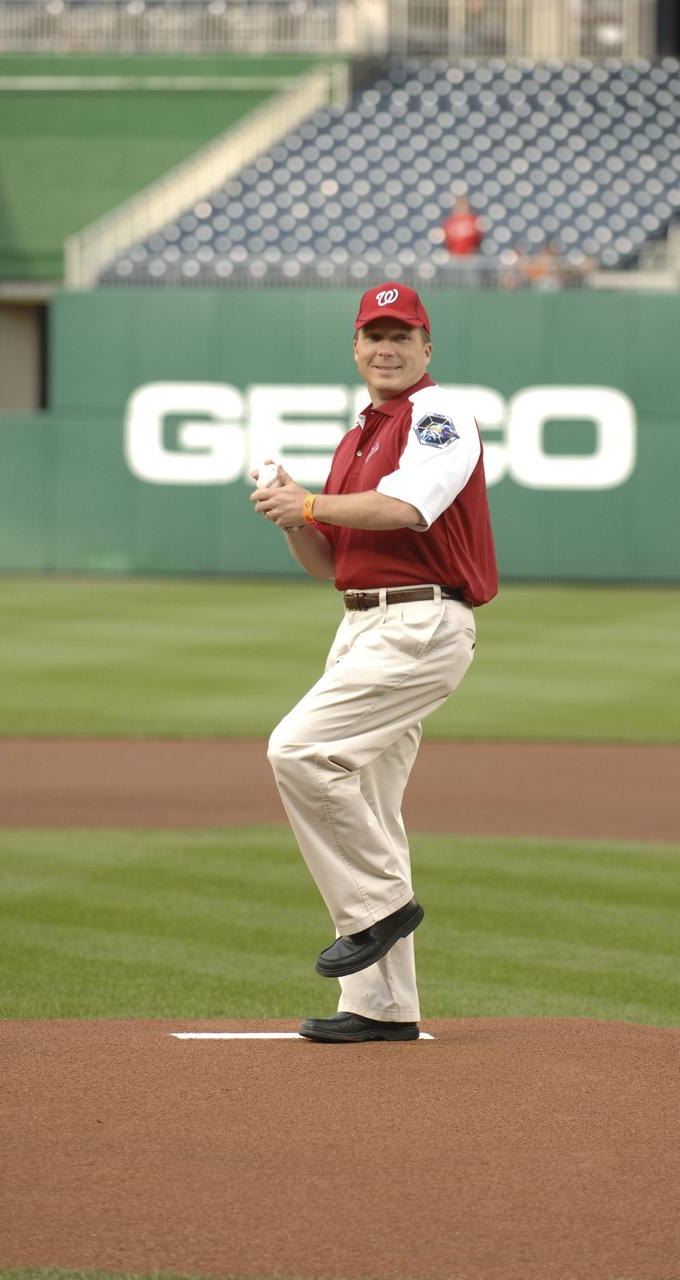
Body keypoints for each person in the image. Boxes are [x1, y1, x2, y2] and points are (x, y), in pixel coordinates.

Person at [250, 281, 498, 1043]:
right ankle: (382, 1007)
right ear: (356, 347)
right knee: (370, 803)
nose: (386, 349)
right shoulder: (358, 432)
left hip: (420, 622)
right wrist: (290, 512)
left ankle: (381, 908)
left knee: (300, 751)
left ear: (427, 348)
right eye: (374, 335)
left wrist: (314, 502)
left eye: (402, 336)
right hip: (363, 624)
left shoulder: (439, 414)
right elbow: (328, 563)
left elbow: (406, 509)